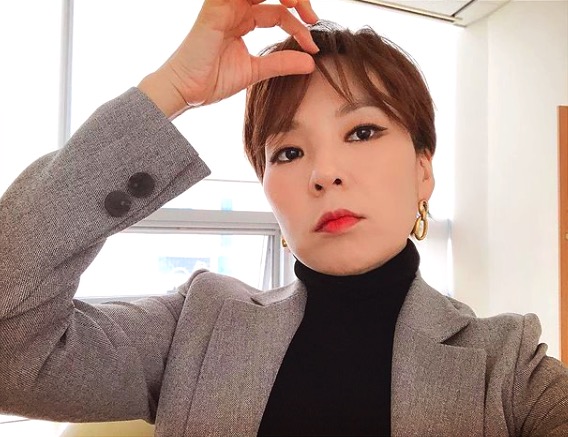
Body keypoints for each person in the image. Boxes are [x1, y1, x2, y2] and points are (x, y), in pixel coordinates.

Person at [0, 0, 566, 435]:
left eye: (362, 131)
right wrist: (171, 89)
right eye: (289, 152)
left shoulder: (509, 367)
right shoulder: (196, 324)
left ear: (424, 171)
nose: (324, 172)